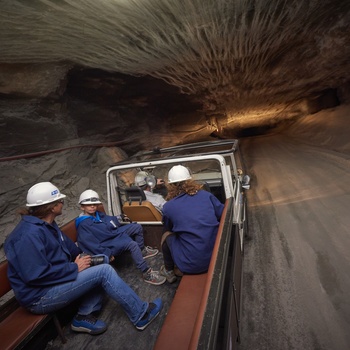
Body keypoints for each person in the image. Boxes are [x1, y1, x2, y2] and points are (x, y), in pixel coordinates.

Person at [4, 182, 163, 335]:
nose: (62, 202)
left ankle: (83, 315)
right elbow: (36, 276)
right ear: (52, 207)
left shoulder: (47, 225)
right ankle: (141, 315)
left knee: (102, 260)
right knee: (104, 272)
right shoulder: (26, 236)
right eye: (60, 200)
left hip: (53, 280)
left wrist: (85, 257)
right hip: (40, 296)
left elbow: (71, 248)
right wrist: (75, 268)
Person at [76, 189, 166, 286]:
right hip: (106, 243)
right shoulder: (83, 225)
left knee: (136, 227)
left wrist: (119, 217)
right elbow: (91, 245)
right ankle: (146, 272)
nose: (92, 206)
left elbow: (110, 220)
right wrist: (107, 254)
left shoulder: (98, 214)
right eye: (89, 205)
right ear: (82, 207)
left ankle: (142, 250)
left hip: (112, 234)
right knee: (132, 244)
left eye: (94, 204)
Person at [159, 165, 224, 283]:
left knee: (166, 235)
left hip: (192, 265)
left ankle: (169, 270)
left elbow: (169, 227)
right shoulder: (206, 195)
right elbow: (221, 213)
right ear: (190, 180)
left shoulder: (168, 207)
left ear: (170, 185)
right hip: (218, 255)